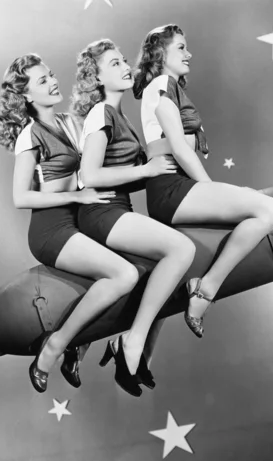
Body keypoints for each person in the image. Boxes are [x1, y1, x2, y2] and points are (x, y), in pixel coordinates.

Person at [0, 53, 141, 393]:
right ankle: (55, 347)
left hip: (82, 221)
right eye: (42, 81)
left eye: (52, 75)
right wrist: (76, 197)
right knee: (124, 275)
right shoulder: (31, 134)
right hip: (52, 229)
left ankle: (80, 345)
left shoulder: (72, 121)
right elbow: (21, 198)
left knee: (139, 269)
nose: (53, 82)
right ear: (27, 96)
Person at [133, 24, 273, 337]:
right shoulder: (162, 84)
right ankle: (205, 290)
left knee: (237, 224)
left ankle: (193, 283)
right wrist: (208, 187)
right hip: (172, 186)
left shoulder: (168, 86)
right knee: (269, 211)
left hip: (174, 186)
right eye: (181, 48)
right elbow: (179, 149)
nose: (189, 54)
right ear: (161, 54)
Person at [71, 39, 197, 397]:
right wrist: (148, 167)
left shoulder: (121, 116)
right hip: (100, 212)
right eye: (113, 64)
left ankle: (134, 352)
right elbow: (90, 176)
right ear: (95, 78)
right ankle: (132, 339)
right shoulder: (100, 113)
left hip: (117, 211)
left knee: (169, 273)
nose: (126, 66)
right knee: (179, 250)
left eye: (124, 60)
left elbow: (138, 173)